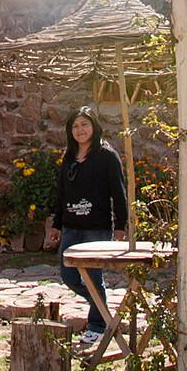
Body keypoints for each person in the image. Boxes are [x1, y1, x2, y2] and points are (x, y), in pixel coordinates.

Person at [42, 107, 127, 346]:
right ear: (70, 131)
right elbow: (62, 193)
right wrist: (56, 224)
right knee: (69, 276)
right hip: (71, 227)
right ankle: (100, 307)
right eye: (75, 126)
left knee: (92, 276)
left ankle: (97, 325)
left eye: (84, 125)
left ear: (94, 127)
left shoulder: (107, 156)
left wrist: (120, 225)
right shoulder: (69, 156)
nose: (80, 130)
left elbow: (118, 192)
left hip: (96, 228)